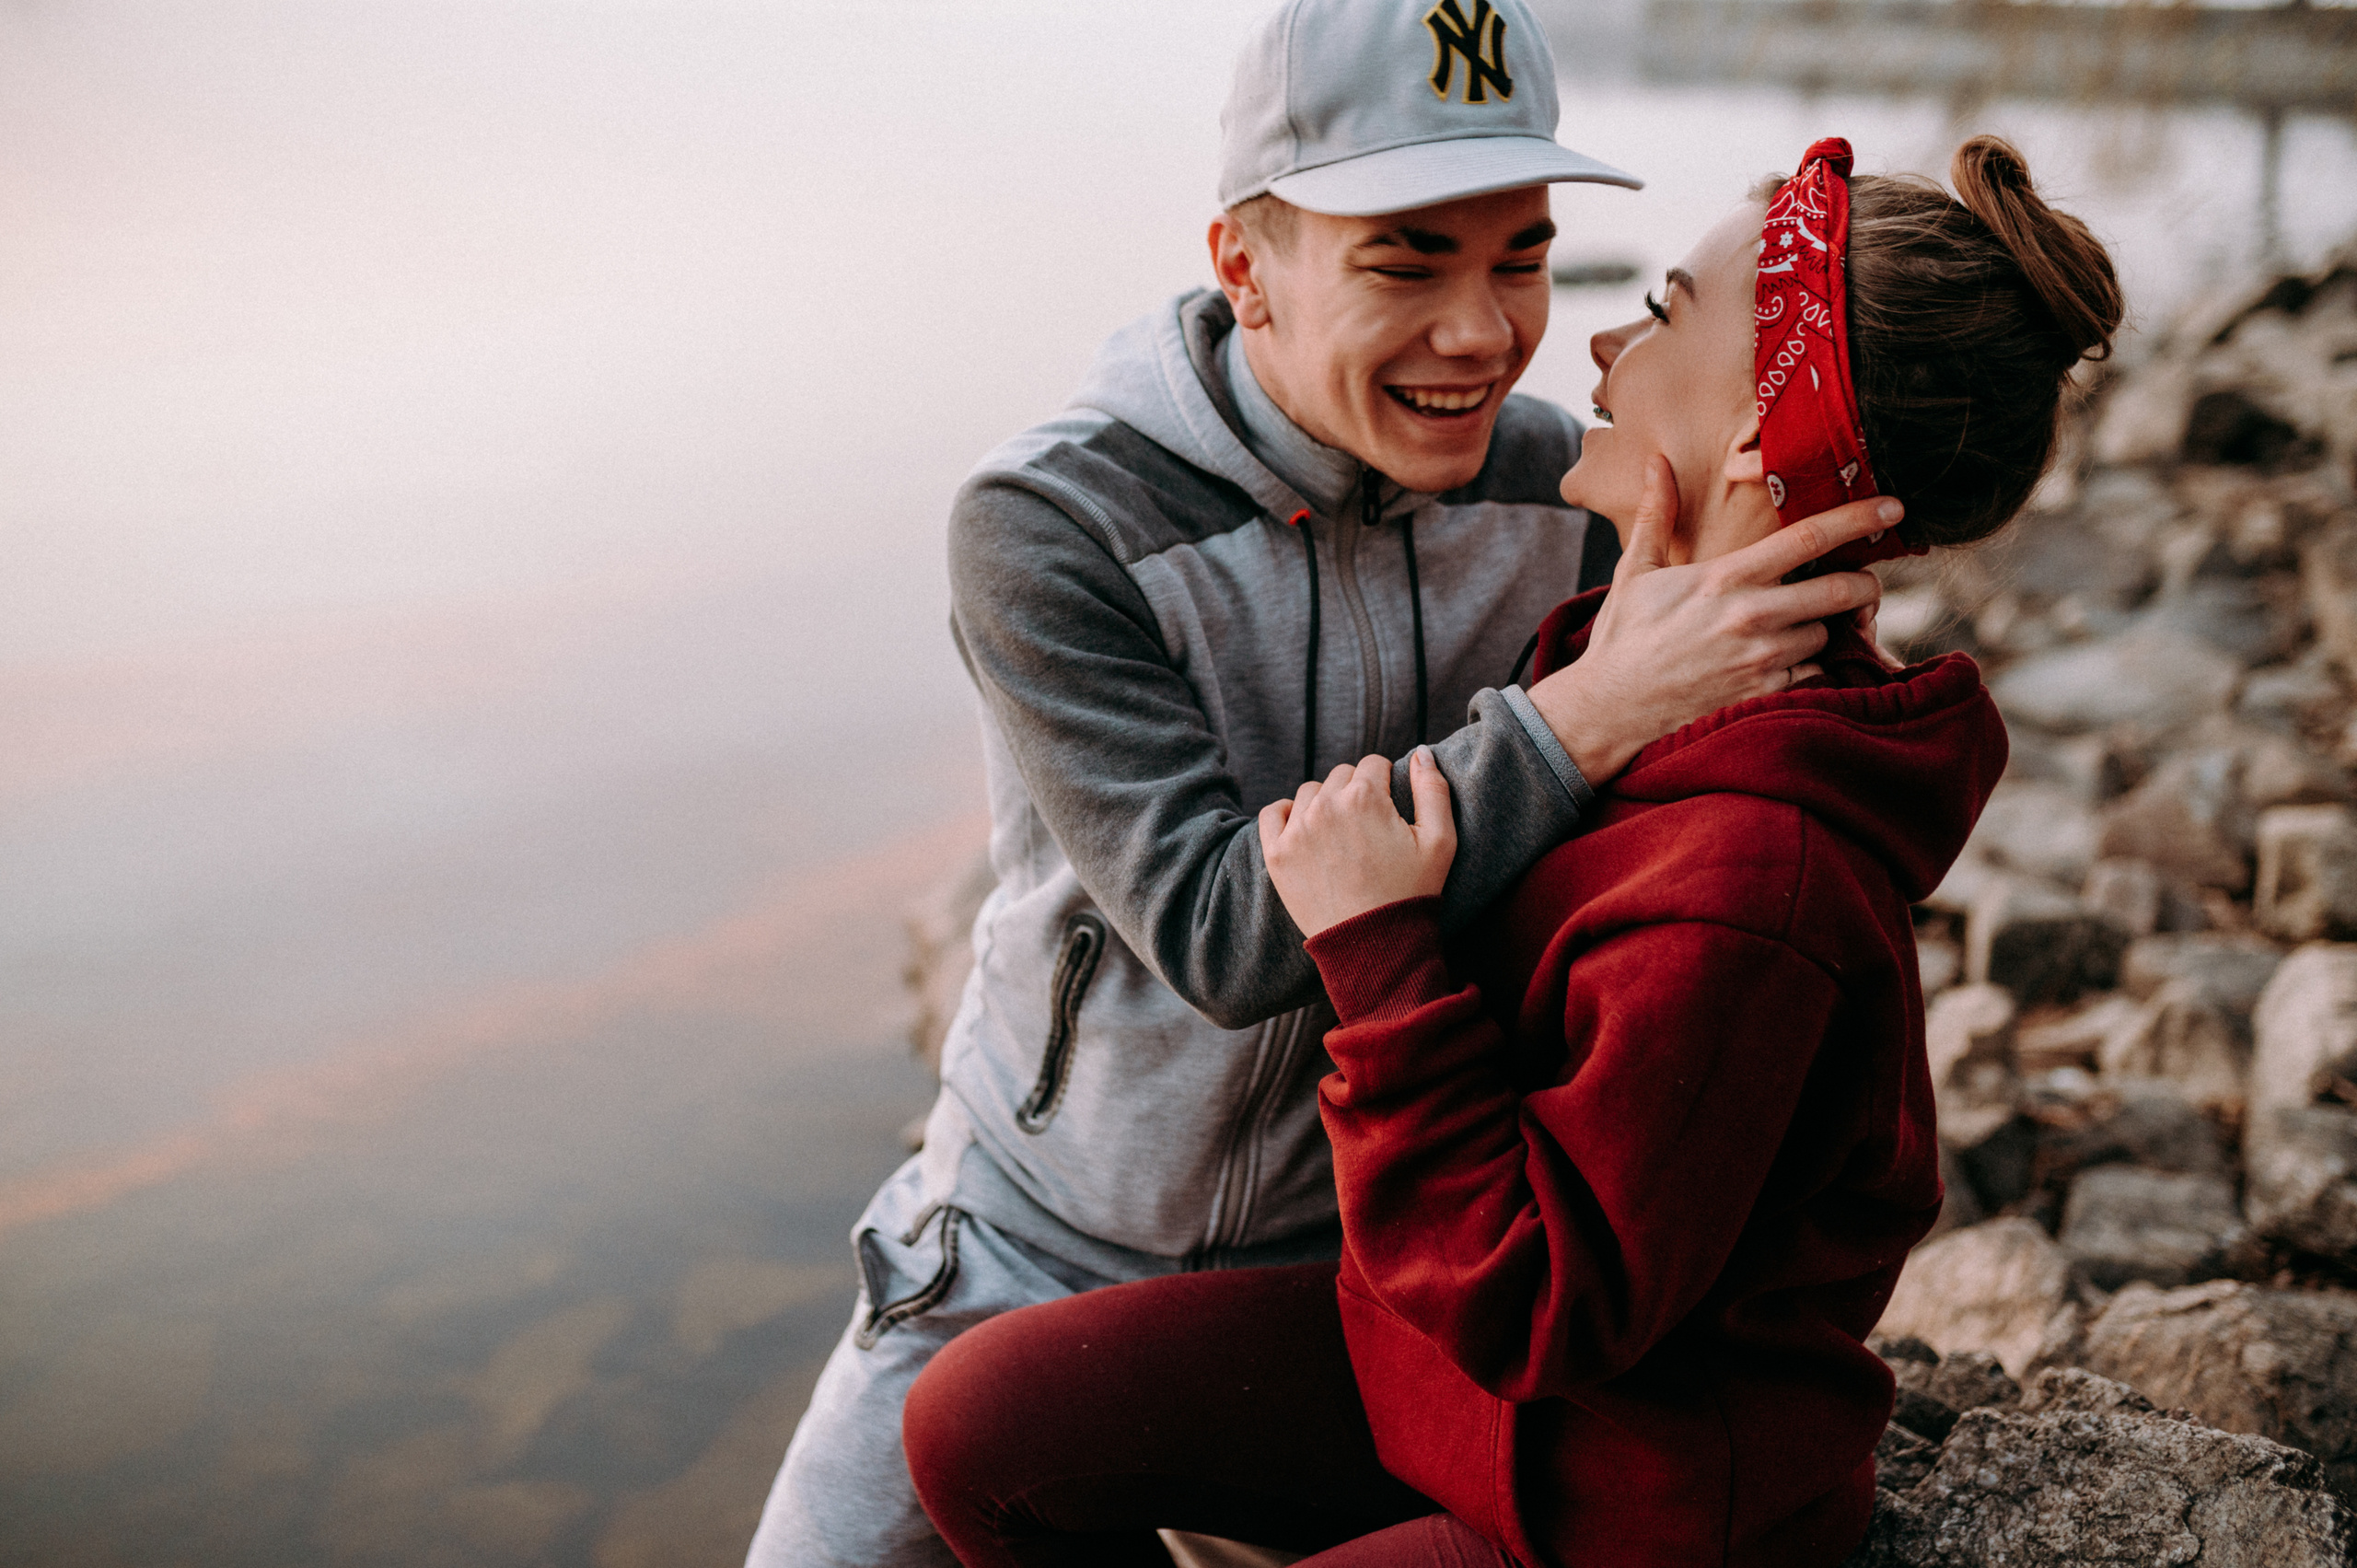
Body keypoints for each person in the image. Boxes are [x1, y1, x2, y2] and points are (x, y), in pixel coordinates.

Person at [743, 1, 1902, 1561]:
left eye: (1522, 254)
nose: (1486, 331)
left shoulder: (1566, 490)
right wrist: (1588, 713)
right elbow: (1223, 934)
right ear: (1244, 265)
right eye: (1406, 258)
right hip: (1029, 1233)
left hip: (1371, 1264)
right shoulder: (1052, 523)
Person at [900, 134, 2121, 1567]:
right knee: (982, 1427)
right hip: (1450, 1388)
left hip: (1609, 1505)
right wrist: (1584, 699)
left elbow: (1541, 1303)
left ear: (1750, 438)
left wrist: (1380, 956)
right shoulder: (1630, 676)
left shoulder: (1753, 877)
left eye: (1662, 310)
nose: (1591, 337)